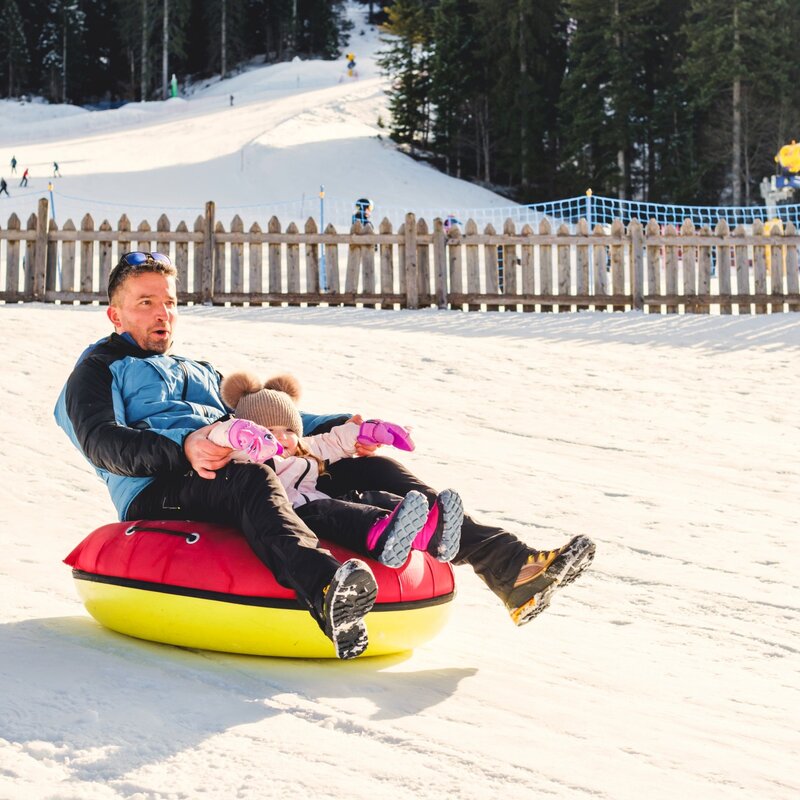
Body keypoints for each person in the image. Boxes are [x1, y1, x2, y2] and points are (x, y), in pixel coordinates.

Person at [54, 252, 380, 660]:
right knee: (253, 478)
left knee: (348, 462)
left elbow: (259, 414)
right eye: (146, 303)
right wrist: (184, 446)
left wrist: (340, 426)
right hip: (156, 487)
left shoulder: (196, 368)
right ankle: (327, 590)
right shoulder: (98, 369)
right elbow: (103, 443)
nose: (163, 314)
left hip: (223, 464)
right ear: (115, 315)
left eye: (170, 303)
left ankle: (468, 542)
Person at [210, 371, 464, 567]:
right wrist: (240, 436)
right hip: (293, 514)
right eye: (270, 431)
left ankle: (428, 534)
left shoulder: (305, 448)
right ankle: (380, 538)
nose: (283, 437)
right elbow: (224, 442)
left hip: (317, 500)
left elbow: (334, 441)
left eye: (289, 430)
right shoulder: (245, 455)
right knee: (331, 510)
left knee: (363, 500)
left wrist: (371, 430)